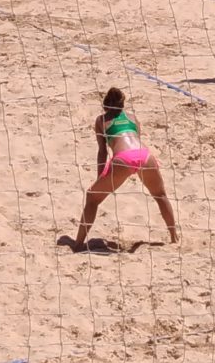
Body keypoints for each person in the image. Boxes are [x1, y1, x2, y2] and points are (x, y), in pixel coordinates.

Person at [71, 87, 178, 250]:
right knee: (160, 195)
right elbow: (136, 140)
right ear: (122, 105)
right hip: (145, 155)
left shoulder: (101, 120)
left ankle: (78, 244)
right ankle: (174, 237)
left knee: (92, 197)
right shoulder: (133, 118)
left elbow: (102, 152)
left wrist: (100, 178)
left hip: (123, 158)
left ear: (105, 105)